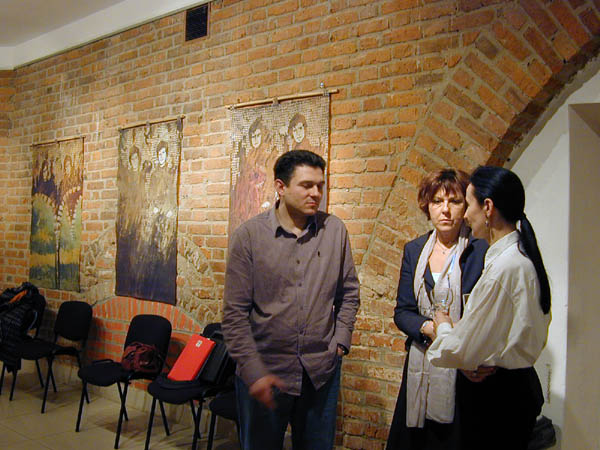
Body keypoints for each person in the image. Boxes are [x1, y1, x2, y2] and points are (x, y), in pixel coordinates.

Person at [222, 150, 360, 450]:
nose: (316, 193)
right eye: (307, 185)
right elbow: (234, 315)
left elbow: (349, 292)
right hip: (266, 372)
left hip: (319, 373)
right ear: (280, 187)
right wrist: (253, 371)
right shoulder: (249, 237)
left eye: (320, 186)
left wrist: (340, 342)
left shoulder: (334, 230)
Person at [428, 166, 551, 450]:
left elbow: (461, 350)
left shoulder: (505, 268)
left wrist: (443, 326)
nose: (465, 216)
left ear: (487, 207)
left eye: (467, 204)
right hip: (512, 390)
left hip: (498, 398)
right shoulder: (516, 256)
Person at [386, 169, 488, 450]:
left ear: (466, 206)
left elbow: (485, 312)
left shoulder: (480, 249)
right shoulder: (414, 249)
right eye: (437, 201)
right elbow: (403, 311)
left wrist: (453, 340)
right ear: (426, 206)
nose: (445, 210)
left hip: (463, 365)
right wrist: (432, 329)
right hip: (423, 359)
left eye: (454, 201)